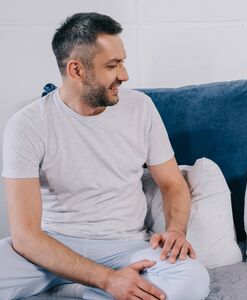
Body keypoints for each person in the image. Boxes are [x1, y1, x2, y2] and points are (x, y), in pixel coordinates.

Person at [0, 12, 210, 300]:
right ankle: (90, 288)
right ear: (76, 70)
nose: (124, 75)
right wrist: (108, 280)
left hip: (124, 246)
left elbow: (173, 184)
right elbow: (25, 237)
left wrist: (176, 231)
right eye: (113, 65)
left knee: (192, 281)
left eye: (122, 62)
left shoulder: (141, 108)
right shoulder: (26, 125)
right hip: (51, 248)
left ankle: (72, 290)